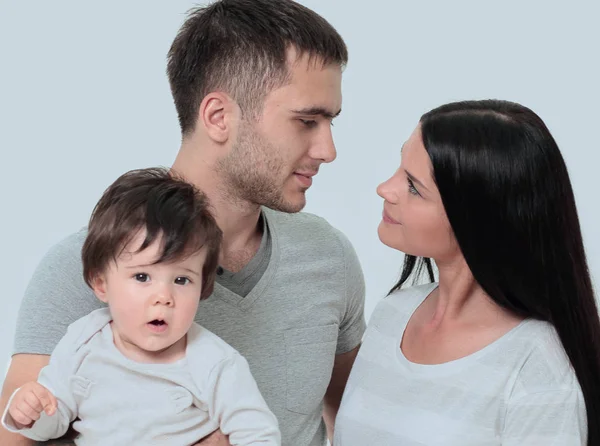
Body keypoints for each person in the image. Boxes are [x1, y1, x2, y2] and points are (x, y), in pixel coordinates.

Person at [0, 1, 365, 445]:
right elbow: (22, 432)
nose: (328, 149)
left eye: (329, 122)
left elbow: (354, 417)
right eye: (307, 121)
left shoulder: (329, 256)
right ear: (218, 117)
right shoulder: (80, 268)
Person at [334, 100, 600, 445]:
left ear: (476, 218)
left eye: (414, 187)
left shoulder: (536, 365)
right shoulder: (394, 314)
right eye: (400, 168)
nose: (385, 188)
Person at [1, 168, 280, 445]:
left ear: (202, 288)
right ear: (101, 284)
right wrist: (31, 411)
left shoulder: (214, 362)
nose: (164, 296)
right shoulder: (82, 341)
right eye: (142, 277)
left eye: (182, 280)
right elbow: (55, 416)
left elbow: (258, 433)